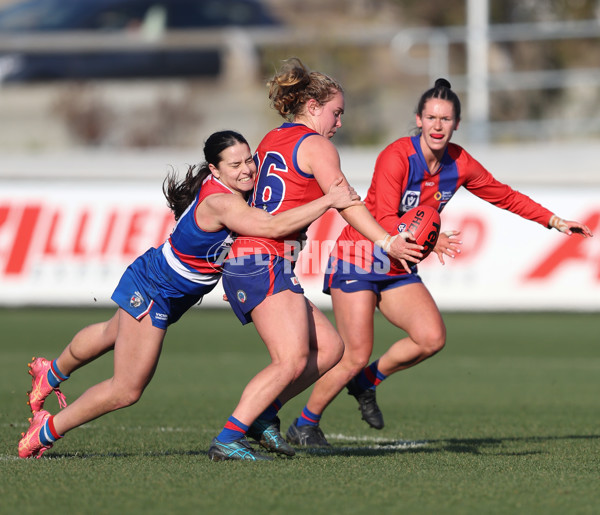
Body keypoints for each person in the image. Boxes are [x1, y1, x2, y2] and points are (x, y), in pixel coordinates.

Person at [17, 129, 362, 460]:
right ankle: (45, 430)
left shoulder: (237, 191)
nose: (247, 171)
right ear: (214, 169)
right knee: (127, 389)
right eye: (235, 165)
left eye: (249, 161)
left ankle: (50, 372)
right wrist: (329, 199)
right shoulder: (223, 202)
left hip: (165, 285)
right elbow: (271, 227)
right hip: (154, 289)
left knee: (111, 333)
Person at [288, 78, 594, 446]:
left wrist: (553, 220)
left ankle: (365, 382)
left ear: (456, 124)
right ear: (418, 119)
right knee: (354, 352)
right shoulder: (396, 156)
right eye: (430, 117)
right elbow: (384, 217)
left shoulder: (459, 163)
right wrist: (429, 243)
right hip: (360, 253)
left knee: (430, 337)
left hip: (399, 261)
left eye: (445, 119)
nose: (437, 125)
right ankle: (305, 424)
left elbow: (504, 195)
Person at [209, 57, 423, 460]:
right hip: (263, 260)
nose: (338, 123)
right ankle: (228, 437)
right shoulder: (317, 145)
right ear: (312, 107)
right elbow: (347, 202)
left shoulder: (274, 137)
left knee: (329, 349)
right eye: (335, 113)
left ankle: (262, 416)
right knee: (290, 359)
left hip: (255, 260)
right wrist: (388, 241)